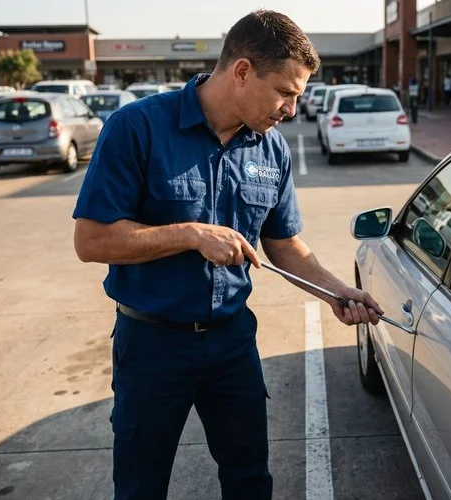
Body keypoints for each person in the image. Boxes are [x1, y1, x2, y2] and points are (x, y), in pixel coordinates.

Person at [72, 10, 383, 500]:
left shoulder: (271, 149)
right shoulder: (137, 128)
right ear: (242, 71)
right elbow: (91, 240)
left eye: (298, 96)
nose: (291, 109)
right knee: (139, 486)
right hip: (152, 345)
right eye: (285, 92)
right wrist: (191, 234)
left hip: (232, 343)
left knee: (249, 479)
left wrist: (337, 292)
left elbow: (284, 245)